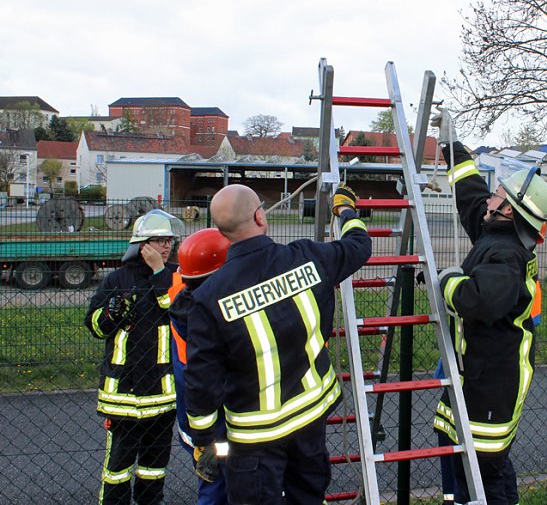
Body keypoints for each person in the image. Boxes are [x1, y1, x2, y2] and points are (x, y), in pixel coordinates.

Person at [184, 183, 371, 504]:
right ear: (260, 216)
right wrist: (347, 211)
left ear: (221, 230)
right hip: (311, 420)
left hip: (253, 438)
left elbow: (201, 381)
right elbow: (359, 244)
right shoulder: (310, 259)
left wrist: (203, 440)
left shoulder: (208, 298)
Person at [429, 108, 547, 505]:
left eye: (499, 194)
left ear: (511, 210)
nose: (491, 195)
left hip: (493, 381)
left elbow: (476, 301)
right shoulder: (495, 230)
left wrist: (447, 279)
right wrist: (452, 145)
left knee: (486, 472)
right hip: (476, 371)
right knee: (456, 448)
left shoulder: (506, 256)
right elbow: (469, 194)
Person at [85, 208, 183, 505]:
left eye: (169, 240)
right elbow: (94, 326)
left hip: (162, 398)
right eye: (159, 240)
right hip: (122, 398)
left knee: (154, 470)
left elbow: (176, 309)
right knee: (117, 471)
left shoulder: (174, 279)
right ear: (142, 244)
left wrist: (158, 272)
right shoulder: (117, 279)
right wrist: (112, 312)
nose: (167, 246)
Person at [168, 228, 231, 504]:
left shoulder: (181, 293)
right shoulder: (216, 317)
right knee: (225, 488)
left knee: (213, 484)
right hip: (218, 426)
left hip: (195, 424)